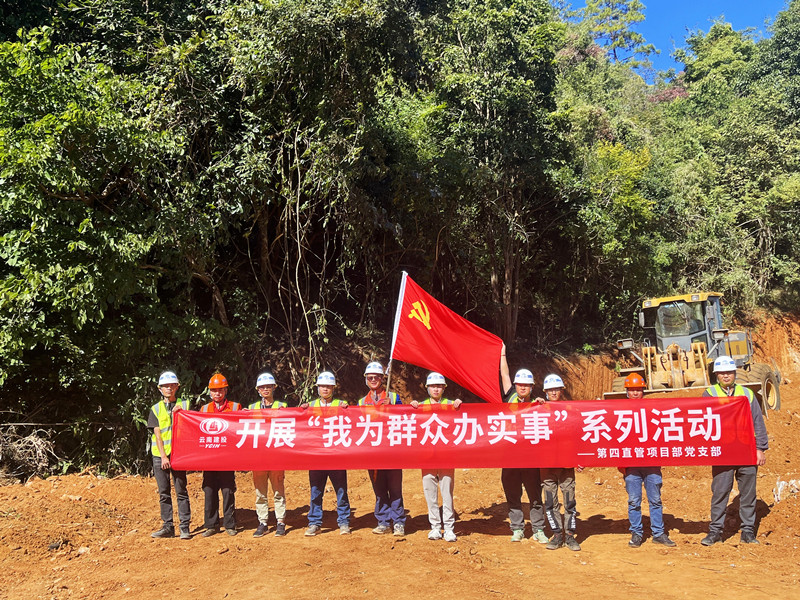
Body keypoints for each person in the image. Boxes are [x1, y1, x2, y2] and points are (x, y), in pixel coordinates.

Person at [701, 356, 768, 546]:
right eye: (722, 373)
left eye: (729, 372)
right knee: (720, 492)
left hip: (746, 450)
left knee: (748, 493)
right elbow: (703, 423)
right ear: (716, 375)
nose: (726, 375)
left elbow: (758, 422)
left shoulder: (746, 393)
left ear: (735, 373)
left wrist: (760, 448)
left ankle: (747, 531)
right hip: (723, 452)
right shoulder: (709, 394)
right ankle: (715, 532)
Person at [621, 373, 676, 548]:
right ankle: (636, 533)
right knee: (634, 501)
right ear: (627, 391)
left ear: (643, 390)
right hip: (632, 466)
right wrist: (621, 464)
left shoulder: (653, 410)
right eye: (632, 390)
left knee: (655, 500)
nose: (635, 393)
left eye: (638, 389)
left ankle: (658, 533)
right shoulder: (620, 411)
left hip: (652, 463)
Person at [499, 353, 547, 544]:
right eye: (520, 384)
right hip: (510, 457)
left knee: (535, 496)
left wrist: (544, 406)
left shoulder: (538, 404)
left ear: (532, 387)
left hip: (531, 458)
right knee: (512, 494)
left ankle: (538, 529)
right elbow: (504, 374)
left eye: (526, 385)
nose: (522, 387)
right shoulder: (509, 397)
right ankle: (517, 528)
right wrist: (503, 352)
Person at [410, 372, 462, 542]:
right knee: (430, 494)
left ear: (444, 388)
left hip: (447, 457)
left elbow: (464, 420)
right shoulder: (420, 406)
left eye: (439, 386)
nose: (436, 389)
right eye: (433, 386)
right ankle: (434, 527)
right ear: (427, 388)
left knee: (447, 493)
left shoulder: (451, 404)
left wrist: (460, 406)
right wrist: (411, 407)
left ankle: (449, 528)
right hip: (427, 458)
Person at [301, 371, 352, 536]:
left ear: (333, 388)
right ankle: (314, 522)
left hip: (336, 456)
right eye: (322, 386)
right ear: (317, 388)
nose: (325, 389)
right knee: (316, 491)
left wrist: (347, 409)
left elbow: (352, 422)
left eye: (328, 386)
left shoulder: (340, 404)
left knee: (341, 491)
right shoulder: (310, 406)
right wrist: (301, 412)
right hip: (316, 457)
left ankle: (344, 522)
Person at [358, 361, 406, 536]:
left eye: (376, 377)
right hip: (373, 452)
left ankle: (399, 521)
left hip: (392, 450)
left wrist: (393, 407)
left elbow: (406, 417)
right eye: (370, 377)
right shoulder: (362, 402)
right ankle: (383, 521)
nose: (373, 380)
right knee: (379, 488)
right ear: (366, 380)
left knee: (395, 487)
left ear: (382, 378)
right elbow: (357, 424)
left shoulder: (393, 398)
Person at [536, 374, 582, 551]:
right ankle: (556, 535)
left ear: (561, 390)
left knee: (569, 500)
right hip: (547, 465)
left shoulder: (571, 410)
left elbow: (579, 436)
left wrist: (580, 458)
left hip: (566, 465)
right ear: (545, 391)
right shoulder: (538, 409)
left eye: (556, 389)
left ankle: (569, 535)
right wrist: (536, 404)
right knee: (550, 501)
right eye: (550, 390)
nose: (553, 392)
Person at [148, 371, 192, 540]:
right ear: (160, 389)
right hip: (161, 456)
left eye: (171, 385)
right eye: (165, 386)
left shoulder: (185, 405)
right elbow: (157, 434)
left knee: (181, 490)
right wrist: (164, 457)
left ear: (177, 387)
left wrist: (182, 413)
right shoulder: (155, 409)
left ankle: (185, 527)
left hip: (179, 455)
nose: (169, 388)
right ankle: (168, 527)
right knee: (164, 492)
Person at [199, 373, 242, 537]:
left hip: (227, 458)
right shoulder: (203, 409)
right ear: (210, 392)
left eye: (220, 390)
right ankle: (211, 525)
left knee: (227, 490)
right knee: (209, 490)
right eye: (214, 390)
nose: (217, 393)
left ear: (226, 391)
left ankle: (230, 524)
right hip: (209, 458)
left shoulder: (236, 407)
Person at [248, 372, 288, 538]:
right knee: (260, 492)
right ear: (258, 389)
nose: (266, 389)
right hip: (258, 458)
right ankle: (263, 522)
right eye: (262, 387)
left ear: (274, 388)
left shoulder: (282, 406)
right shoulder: (251, 409)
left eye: (268, 386)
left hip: (276, 457)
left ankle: (280, 522)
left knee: (278, 491)